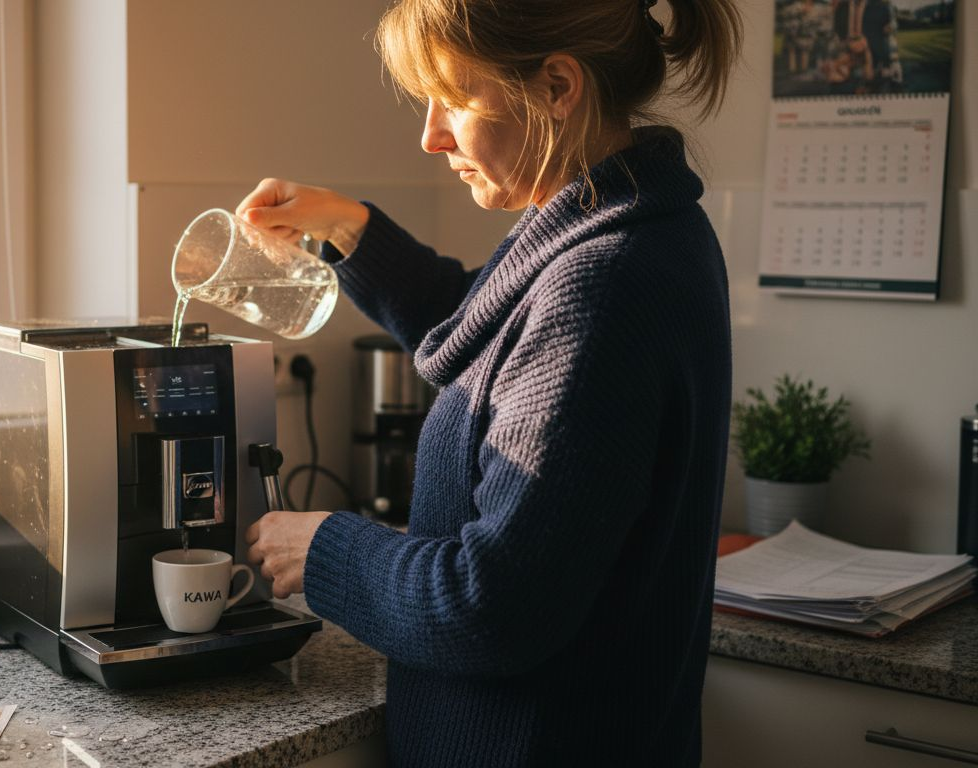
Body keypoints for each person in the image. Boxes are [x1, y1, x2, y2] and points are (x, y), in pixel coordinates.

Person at [242, 0, 741, 764]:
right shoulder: (636, 223)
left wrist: (325, 549)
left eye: (456, 99)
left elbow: (490, 606)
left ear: (557, 86)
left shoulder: (604, 282)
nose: (431, 135)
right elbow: (489, 332)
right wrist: (345, 227)